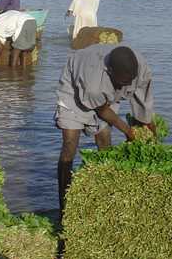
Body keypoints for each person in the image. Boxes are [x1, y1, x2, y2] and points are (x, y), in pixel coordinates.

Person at [55, 44, 155, 211]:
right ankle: (64, 202)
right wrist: (128, 131)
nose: (125, 86)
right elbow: (101, 110)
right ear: (110, 71)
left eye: (129, 81)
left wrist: (149, 127)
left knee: (104, 139)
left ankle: (106, 194)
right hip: (73, 89)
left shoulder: (141, 68)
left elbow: (144, 102)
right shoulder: (94, 84)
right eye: (122, 82)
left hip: (106, 92)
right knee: (70, 144)